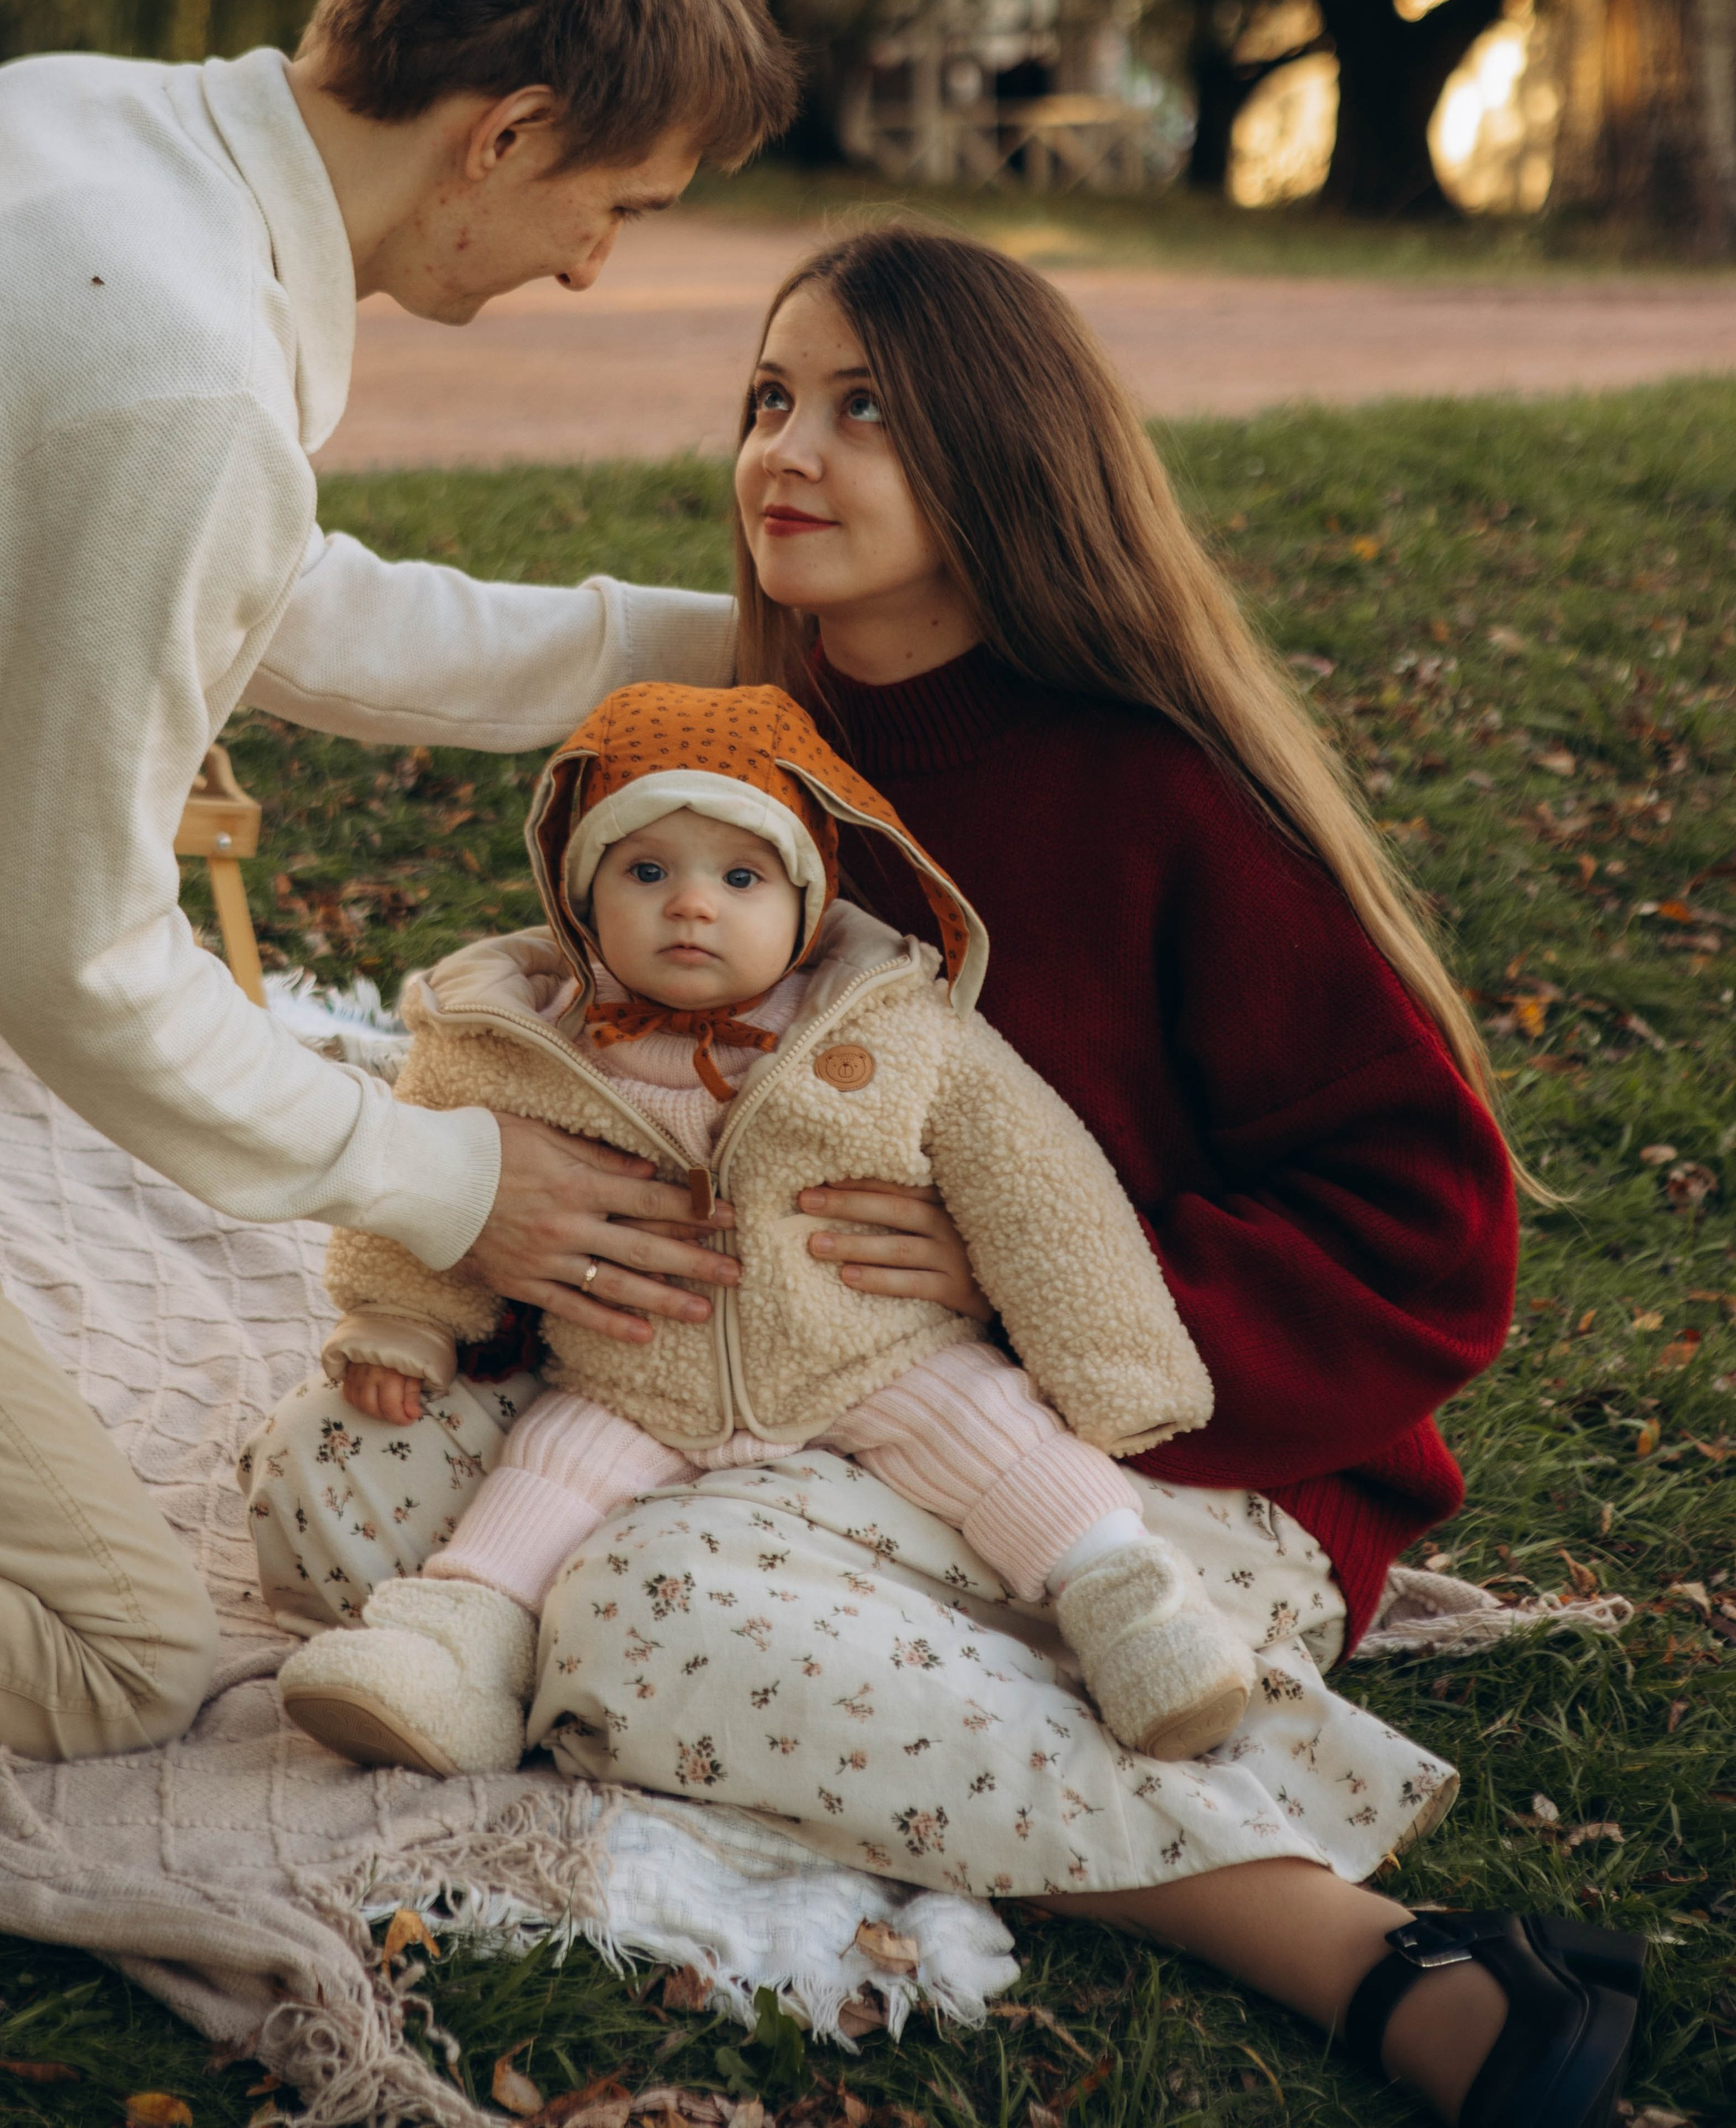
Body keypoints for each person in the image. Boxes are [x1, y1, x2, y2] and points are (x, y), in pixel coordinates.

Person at [250, 224, 1635, 2128]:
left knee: (646, 1598)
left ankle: (1337, 1941)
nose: (783, 454)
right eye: (765, 399)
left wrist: (1016, 1280)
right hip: (750, 1403)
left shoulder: (1150, 792)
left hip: (1152, 1465)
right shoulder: (752, 766)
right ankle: (816, 1666)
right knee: (343, 1474)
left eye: (862, 409)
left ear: (1000, 452)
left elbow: (1428, 1230)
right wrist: (548, 1264)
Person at [0, 0, 800, 1765]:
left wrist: (727, 654)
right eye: (616, 206)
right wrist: (448, 1181)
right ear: (506, 133)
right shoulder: (177, 375)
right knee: (115, 1653)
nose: (586, 266)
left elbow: (265, 603)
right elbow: (80, 969)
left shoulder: (69, 128)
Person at [265, 679, 1255, 1776]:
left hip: (870, 1348)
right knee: (538, 1483)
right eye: (646, 873)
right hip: (632, 1375)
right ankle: (444, 1655)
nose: (692, 907)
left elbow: (1042, 1191)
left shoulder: (893, 1025)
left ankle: (1140, 1616)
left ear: (810, 897)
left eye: (739, 877)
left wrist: (1115, 1365)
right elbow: (442, 1165)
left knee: (1003, 1437)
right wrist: (404, 1317)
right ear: (581, 895)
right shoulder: (520, 1040)